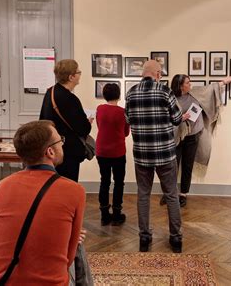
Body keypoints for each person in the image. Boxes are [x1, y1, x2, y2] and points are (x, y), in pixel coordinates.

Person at [0, 120, 86, 285]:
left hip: (0, 281)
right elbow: (68, 258)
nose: (62, 144)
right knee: (79, 248)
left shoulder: (3, 186)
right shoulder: (74, 191)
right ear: (50, 152)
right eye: (60, 140)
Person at [125, 60, 189, 253]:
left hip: (142, 154)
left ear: (143, 74)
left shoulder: (131, 93)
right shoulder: (165, 92)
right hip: (165, 153)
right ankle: (175, 238)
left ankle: (144, 237)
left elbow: (127, 119)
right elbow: (177, 119)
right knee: (171, 194)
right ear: (158, 74)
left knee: (143, 194)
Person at [160, 74, 231, 207]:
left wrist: (224, 81)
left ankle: (183, 194)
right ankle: (168, 193)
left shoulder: (195, 94)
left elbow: (210, 89)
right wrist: (179, 117)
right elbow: (164, 116)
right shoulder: (171, 98)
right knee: (172, 166)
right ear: (180, 85)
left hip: (193, 136)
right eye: (188, 83)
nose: (190, 85)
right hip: (175, 136)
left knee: (187, 165)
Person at [40, 59, 92, 182]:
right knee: (67, 184)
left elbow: (43, 120)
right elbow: (83, 129)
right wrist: (88, 123)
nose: (80, 75)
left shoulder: (50, 92)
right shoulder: (70, 99)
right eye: (78, 72)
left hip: (51, 148)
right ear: (71, 77)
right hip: (68, 151)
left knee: (53, 184)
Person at [96, 83, 130, 226]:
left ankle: (104, 215)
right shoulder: (123, 112)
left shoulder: (100, 109)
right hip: (117, 152)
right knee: (118, 183)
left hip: (102, 151)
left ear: (104, 95)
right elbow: (126, 133)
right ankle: (116, 214)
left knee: (104, 181)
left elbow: (98, 125)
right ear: (119, 95)